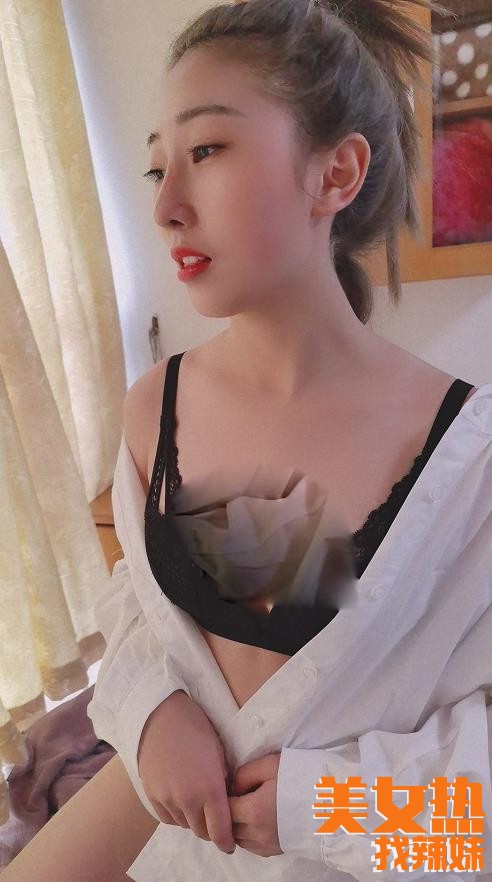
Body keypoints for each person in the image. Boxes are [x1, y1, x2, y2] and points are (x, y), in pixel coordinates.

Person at [3, 0, 491, 880]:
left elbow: (478, 825)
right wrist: (150, 711)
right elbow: (147, 610)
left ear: (336, 173)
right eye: (155, 167)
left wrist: (319, 805)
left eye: (206, 151)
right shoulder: (157, 407)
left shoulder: (471, 463)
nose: (166, 207)